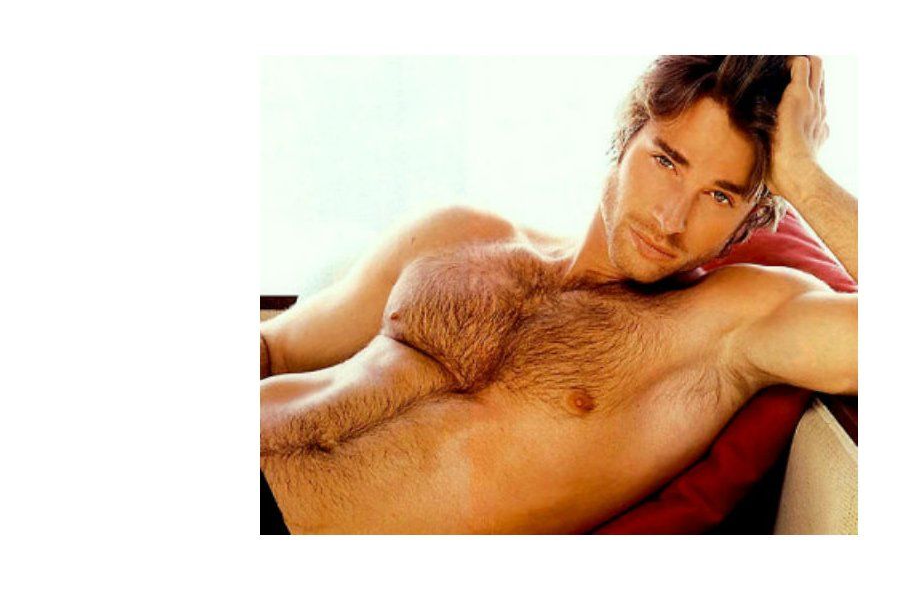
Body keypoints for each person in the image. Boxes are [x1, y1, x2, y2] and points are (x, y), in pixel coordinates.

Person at [260, 55, 857, 534]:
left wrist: (803, 175)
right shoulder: (458, 233)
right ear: (627, 136)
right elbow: (277, 350)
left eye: (720, 196)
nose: (672, 219)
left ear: (752, 218)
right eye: (666, 161)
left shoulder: (727, 324)